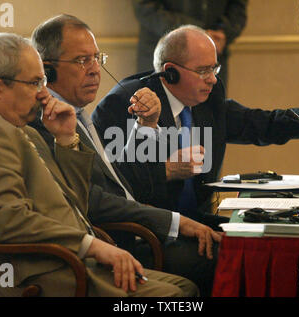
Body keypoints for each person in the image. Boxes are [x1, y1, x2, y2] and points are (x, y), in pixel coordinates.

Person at [0, 32, 198, 297]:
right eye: (35, 83)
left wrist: (65, 140)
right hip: (32, 276)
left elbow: (75, 203)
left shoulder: (18, 127)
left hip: (63, 262)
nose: (42, 94)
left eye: (43, 81)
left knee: (185, 288)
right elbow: (10, 221)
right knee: (176, 297)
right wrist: (92, 246)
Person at [28, 14, 221, 297]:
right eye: (83, 61)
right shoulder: (46, 123)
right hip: (117, 241)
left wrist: (146, 126)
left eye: (97, 58)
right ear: (48, 71)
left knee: (238, 243)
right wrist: (176, 222)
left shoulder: (79, 114)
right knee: (222, 259)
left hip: (137, 231)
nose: (95, 70)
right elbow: (93, 199)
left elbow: (121, 180)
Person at [92, 24, 299, 227]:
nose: (213, 80)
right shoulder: (126, 103)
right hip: (153, 229)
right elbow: (110, 186)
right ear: (170, 72)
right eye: (204, 71)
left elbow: (260, 123)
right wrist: (167, 170)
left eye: (214, 69)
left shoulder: (208, 99)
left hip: (199, 218)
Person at [132, 0, 248, 87]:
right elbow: (145, 8)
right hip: (161, 54)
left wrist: (224, 32)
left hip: (215, 52)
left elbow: (238, 7)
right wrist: (199, 34)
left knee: (210, 115)